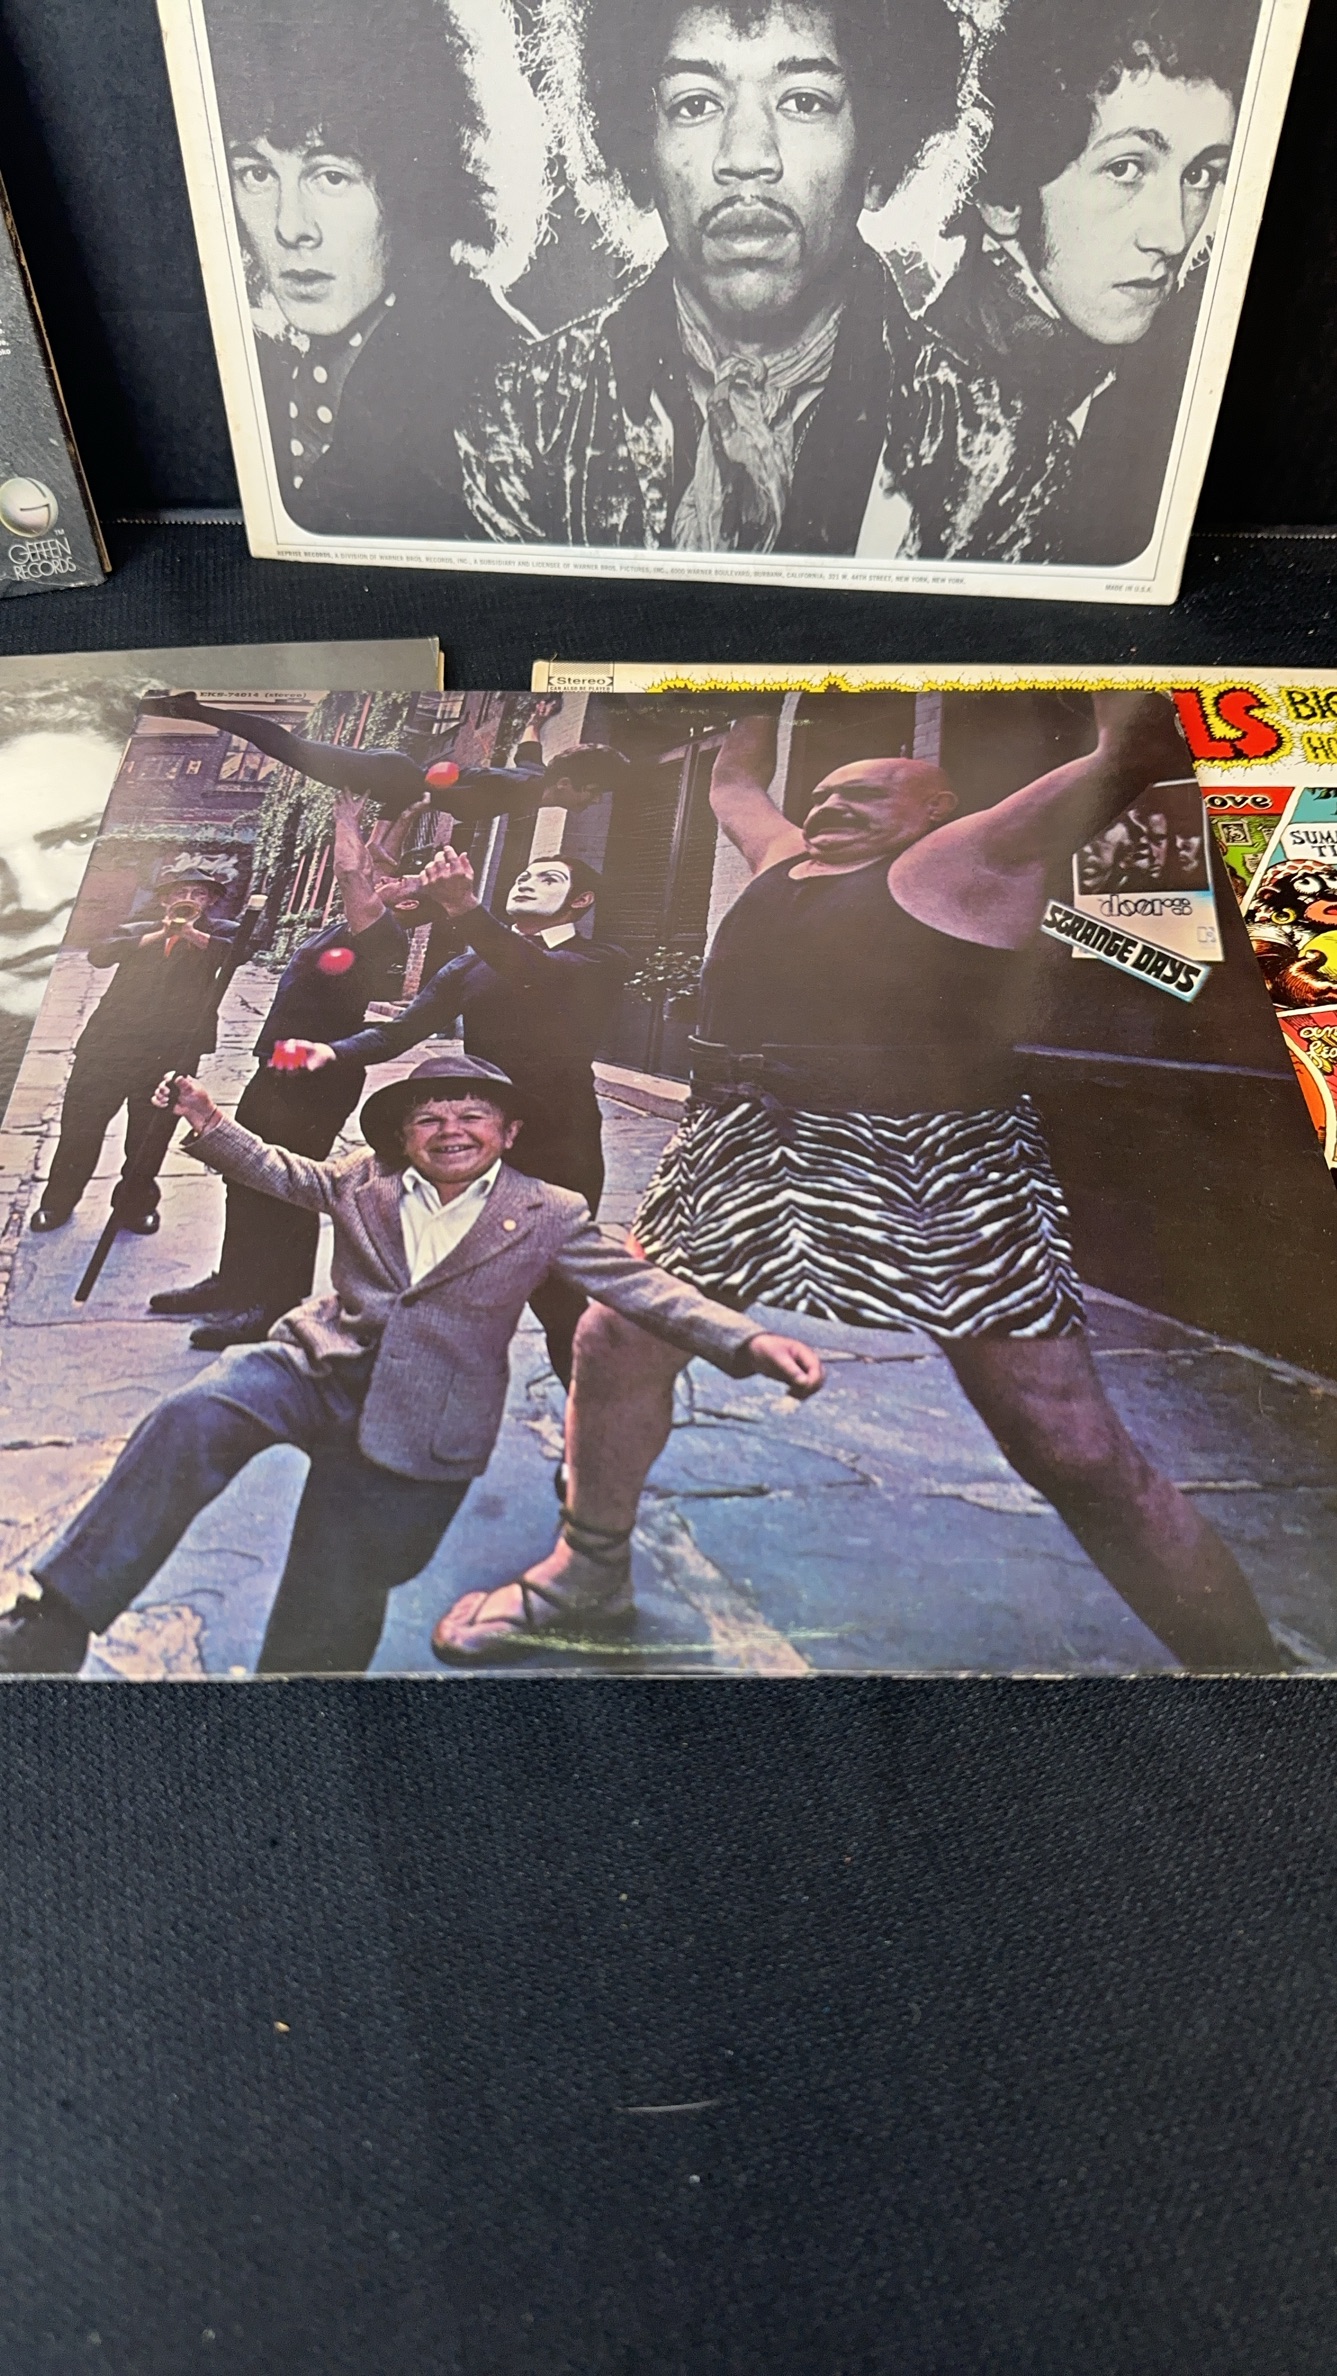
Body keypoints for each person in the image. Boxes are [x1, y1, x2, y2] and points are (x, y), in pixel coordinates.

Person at [432, 693, 1286, 1674]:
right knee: (616, 1336)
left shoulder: (965, 858)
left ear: (936, 807)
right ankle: (586, 1573)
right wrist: (748, 678)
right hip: (740, 1139)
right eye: (826, 792)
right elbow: (734, 781)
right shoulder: (781, 861)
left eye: (868, 792)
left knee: (1064, 1439)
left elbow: (1123, 752)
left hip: (933, 1160)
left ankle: (1251, 1678)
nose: (832, 802)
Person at [0, 1054, 824, 1676]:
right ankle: (56, 1617)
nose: (450, 1131)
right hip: (316, 1366)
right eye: (428, 1119)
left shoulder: (548, 1212)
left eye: (472, 1116)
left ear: (509, 1133)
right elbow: (282, 1172)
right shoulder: (364, 1182)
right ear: (402, 1138)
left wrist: (745, 1341)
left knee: (338, 1585)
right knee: (197, 1411)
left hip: (427, 1413)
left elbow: (639, 1286)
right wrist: (210, 1121)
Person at [459, 0, 961, 552]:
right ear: (641, 149)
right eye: (695, 104)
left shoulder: (994, 448)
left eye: (804, 101)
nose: (746, 156)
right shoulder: (522, 423)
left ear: (877, 153)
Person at [880, 0, 1256, 565]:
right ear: (1005, 198)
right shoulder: (914, 414)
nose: (1173, 234)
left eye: (1200, 175)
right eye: (1125, 168)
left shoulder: (1159, 393)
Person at [283, 846, 631, 1383]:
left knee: (558, 1292)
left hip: (560, 1141)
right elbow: (400, 1032)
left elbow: (533, 972)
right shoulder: (470, 964)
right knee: (436, 1275)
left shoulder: (600, 959)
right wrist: (333, 1051)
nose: (527, 882)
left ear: (581, 901)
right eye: (524, 873)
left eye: (548, 878)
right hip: (474, 1138)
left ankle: (592, 1420)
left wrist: (465, 907)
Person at [203, 0, 547, 537]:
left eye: (331, 177)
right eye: (257, 174)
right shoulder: (256, 359)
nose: (290, 227)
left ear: (416, 182)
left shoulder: (509, 388)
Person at [147, 796, 410, 1347]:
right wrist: (398, 812)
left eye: (397, 880)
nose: (382, 875)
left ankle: (273, 1303)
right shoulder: (349, 926)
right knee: (242, 1171)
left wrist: (344, 815)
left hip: (314, 1079)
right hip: (277, 1068)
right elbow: (370, 861)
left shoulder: (382, 934)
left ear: (407, 902)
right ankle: (234, 1281)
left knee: (286, 1186)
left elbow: (352, 870)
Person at [28, 872, 235, 1237]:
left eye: (198, 894)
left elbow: (236, 955)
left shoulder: (222, 932)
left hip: (171, 1053)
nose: (189, 899)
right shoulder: (137, 929)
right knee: (80, 1129)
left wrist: (189, 933)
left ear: (210, 901)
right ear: (164, 900)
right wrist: (162, 934)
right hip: (109, 1048)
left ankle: (135, 1206)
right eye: (180, 893)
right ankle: (56, 1203)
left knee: (149, 1137)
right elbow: (99, 955)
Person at [138, 691, 630, 827]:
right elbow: (429, 791)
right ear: (568, 784)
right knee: (285, 747)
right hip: (390, 776)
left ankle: (191, 707)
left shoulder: (534, 777)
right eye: (593, 792)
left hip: (391, 774)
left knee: (287, 749)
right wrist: (383, 834)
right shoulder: (518, 790)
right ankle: (190, 708)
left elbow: (528, 747)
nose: (592, 801)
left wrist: (537, 718)